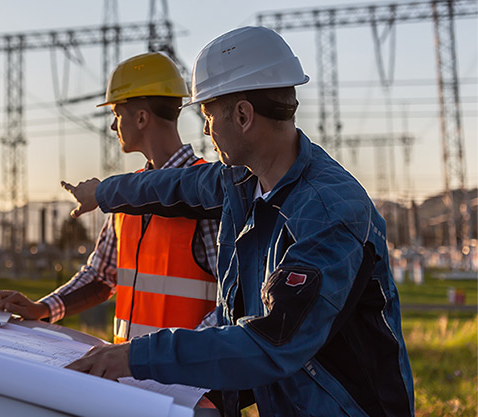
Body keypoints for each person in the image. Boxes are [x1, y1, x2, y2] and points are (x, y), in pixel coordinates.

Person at [63, 26, 415, 416]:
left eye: (208, 115)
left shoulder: (328, 212)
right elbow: (173, 185)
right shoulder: (244, 181)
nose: (206, 130)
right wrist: (101, 194)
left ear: (243, 115)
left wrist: (133, 357)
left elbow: (272, 341)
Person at [0, 52, 220, 345]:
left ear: (140, 118)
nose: (113, 127)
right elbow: (101, 276)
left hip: (186, 384)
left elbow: (231, 303)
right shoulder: (125, 197)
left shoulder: (207, 197)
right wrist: (43, 308)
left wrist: (181, 361)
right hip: (129, 376)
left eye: (116, 115)